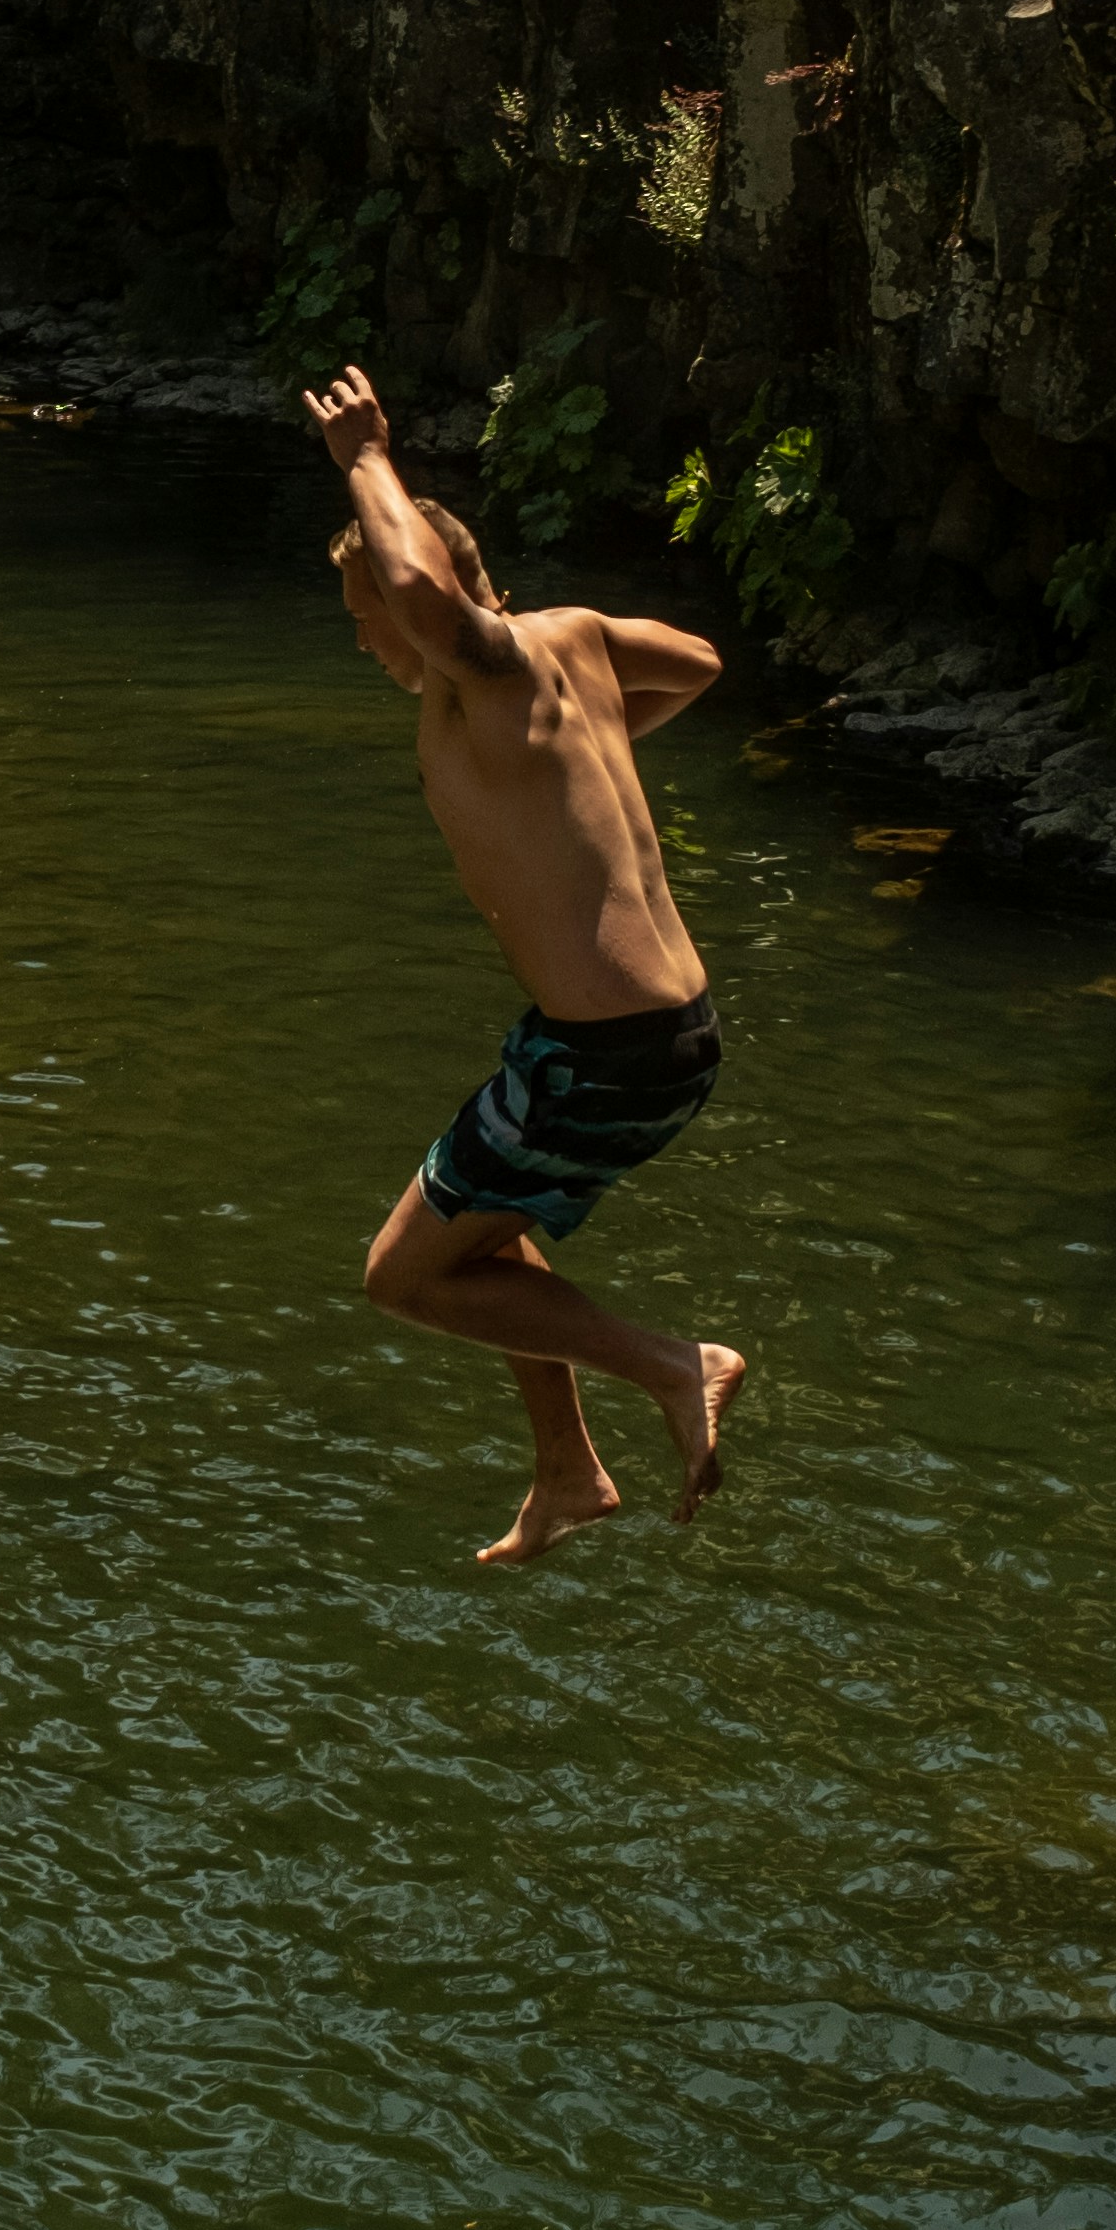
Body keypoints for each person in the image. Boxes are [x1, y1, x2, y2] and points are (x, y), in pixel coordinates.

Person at [304, 362, 745, 1567]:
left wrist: (364, 457)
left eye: (366, 614)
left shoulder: (487, 673)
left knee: (400, 1278)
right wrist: (586, 758)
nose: (364, 636)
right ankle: (566, 1472)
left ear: (429, 599)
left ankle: (677, 1366)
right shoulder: (571, 642)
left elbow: (419, 591)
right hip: (643, 1038)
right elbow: (699, 662)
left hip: (607, 1056)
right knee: (474, 1229)